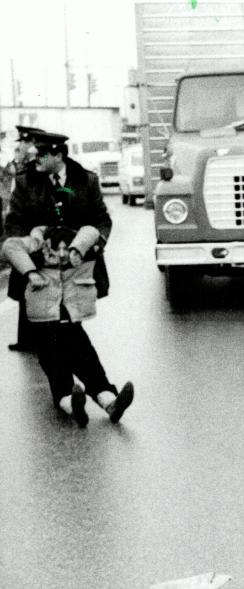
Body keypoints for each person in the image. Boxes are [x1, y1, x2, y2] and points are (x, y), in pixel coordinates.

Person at [2, 130, 134, 426]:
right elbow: (13, 225)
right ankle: (98, 397)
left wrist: (89, 247)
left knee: (66, 333)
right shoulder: (24, 183)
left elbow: (102, 220)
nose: (36, 158)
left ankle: (81, 398)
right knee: (54, 336)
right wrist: (27, 258)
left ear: (58, 156)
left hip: (76, 274)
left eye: (42, 154)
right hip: (37, 274)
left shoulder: (86, 180)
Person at [4, 126, 43, 353]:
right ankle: (26, 338)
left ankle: (32, 338)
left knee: (29, 287)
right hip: (22, 235)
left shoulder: (29, 176)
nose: (18, 151)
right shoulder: (20, 173)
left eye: (22, 147)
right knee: (23, 289)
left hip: (29, 237)